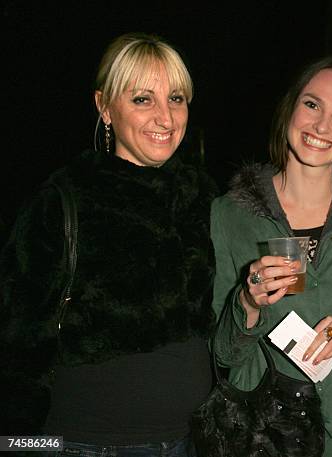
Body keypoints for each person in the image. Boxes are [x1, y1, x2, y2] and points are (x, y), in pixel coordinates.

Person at [0, 33, 216, 456]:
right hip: (88, 445)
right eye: (142, 99)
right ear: (104, 107)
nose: (165, 118)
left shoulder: (204, 198)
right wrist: (20, 444)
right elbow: (16, 347)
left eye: (175, 98)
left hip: (192, 440)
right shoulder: (63, 201)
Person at [211, 56, 332, 457]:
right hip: (266, 435)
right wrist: (247, 302)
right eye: (312, 105)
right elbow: (222, 352)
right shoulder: (229, 215)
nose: (321, 126)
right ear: (291, 109)